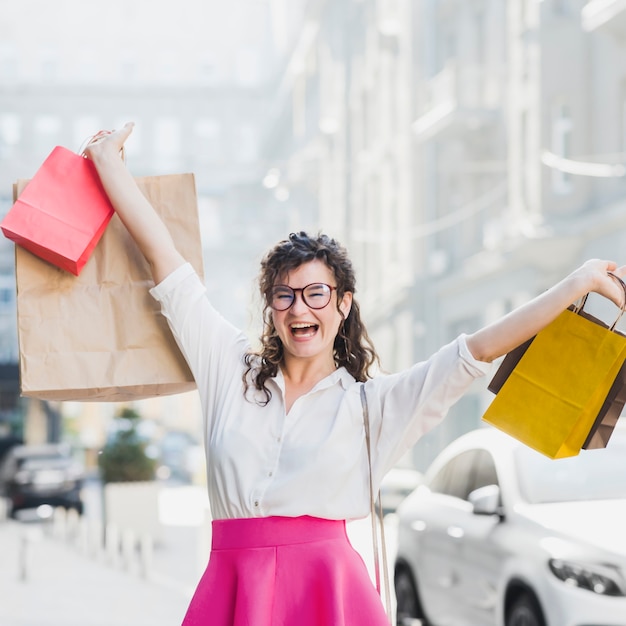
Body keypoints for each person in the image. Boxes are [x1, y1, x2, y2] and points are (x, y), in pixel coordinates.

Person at [86, 123, 626, 626]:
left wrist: (577, 283)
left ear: (343, 304)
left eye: (316, 293)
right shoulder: (228, 367)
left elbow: (478, 349)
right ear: (271, 305)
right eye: (285, 294)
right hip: (232, 589)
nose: (301, 310)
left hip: (329, 594)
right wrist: (108, 163)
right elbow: (166, 262)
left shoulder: (374, 405)